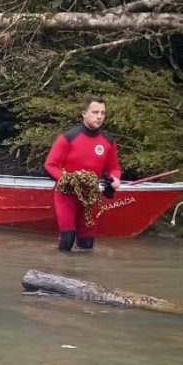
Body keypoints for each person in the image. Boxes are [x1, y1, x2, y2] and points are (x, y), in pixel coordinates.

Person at [44, 97, 122, 251]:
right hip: (66, 195)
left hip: (91, 196)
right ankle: (58, 270)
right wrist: (68, 180)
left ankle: (83, 273)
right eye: (95, 112)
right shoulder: (68, 138)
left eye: (102, 113)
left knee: (87, 243)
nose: (99, 116)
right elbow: (50, 165)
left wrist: (116, 179)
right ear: (84, 114)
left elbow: (115, 168)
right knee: (67, 238)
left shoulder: (108, 141)